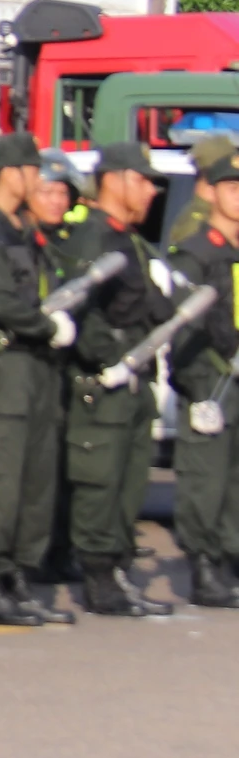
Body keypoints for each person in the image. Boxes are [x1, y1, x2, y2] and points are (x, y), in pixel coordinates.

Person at [0, 131, 79, 626]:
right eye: (32, 171)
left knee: (34, 483)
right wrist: (48, 325)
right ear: (11, 174)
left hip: (37, 371)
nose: (39, 180)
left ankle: (18, 578)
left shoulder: (25, 232)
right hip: (3, 370)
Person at [59, 141, 180, 617]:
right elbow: (82, 308)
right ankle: (99, 577)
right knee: (100, 483)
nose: (151, 191)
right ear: (114, 180)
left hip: (134, 380)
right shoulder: (93, 237)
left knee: (129, 482)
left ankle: (117, 570)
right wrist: (107, 360)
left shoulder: (129, 240)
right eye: (143, 180)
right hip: (103, 384)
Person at [169, 149, 239, 608]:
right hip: (211, 382)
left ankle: (228, 557)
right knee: (205, 478)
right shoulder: (196, 252)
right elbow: (183, 329)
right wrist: (198, 390)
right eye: (232, 187)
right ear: (211, 192)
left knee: (233, 480)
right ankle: (203, 567)